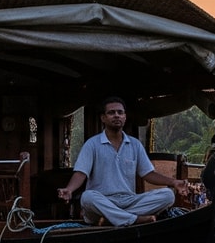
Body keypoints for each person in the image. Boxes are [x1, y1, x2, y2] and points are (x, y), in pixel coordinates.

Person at [56, 97, 184, 227]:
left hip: (128, 201)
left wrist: (173, 182)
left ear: (125, 117)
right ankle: (130, 219)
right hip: (102, 202)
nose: (116, 115)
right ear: (103, 118)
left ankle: (112, 218)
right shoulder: (92, 144)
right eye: (111, 113)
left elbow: (148, 174)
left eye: (120, 112)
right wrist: (69, 189)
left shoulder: (135, 145)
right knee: (87, 197)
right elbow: (81, 173)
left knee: (168, 195)